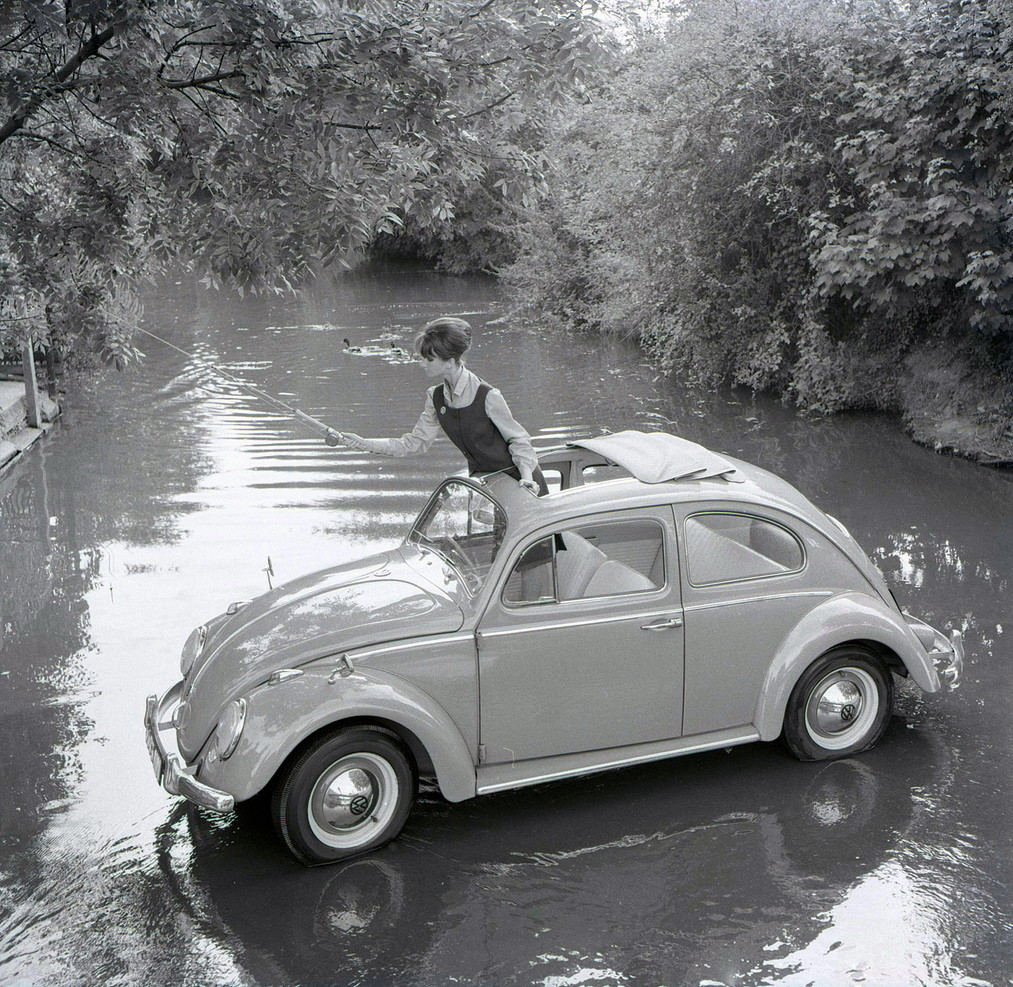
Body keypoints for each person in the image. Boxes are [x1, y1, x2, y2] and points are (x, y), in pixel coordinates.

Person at [336, 317, 549, 494]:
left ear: (449, 361)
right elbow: (414, 443)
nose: (421, 363)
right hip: (488, 487)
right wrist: (364, 443)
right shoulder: (435, 397)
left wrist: (528, 478)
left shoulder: (488, 396)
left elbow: (519, 440)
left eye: (428, 359)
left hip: (522, 483)